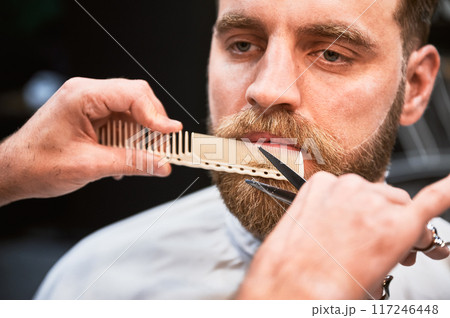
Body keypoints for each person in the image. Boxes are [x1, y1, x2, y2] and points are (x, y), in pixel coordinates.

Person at [1, 0, 449, 299]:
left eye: (332, 54)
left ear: (414, 87)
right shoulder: (90, 281)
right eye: (242, 44)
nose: (267, 89)